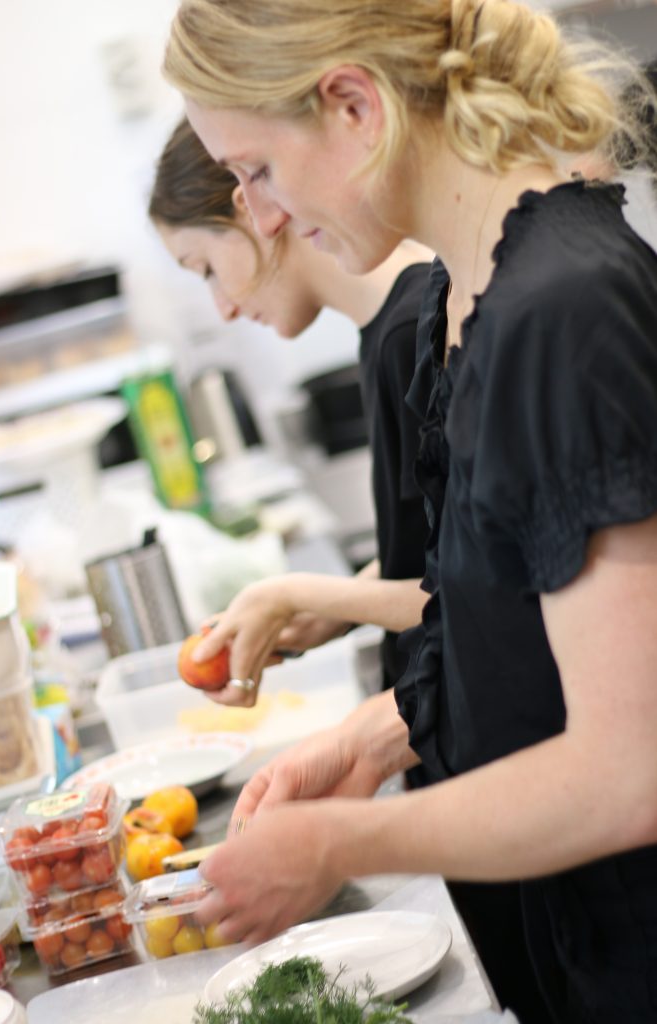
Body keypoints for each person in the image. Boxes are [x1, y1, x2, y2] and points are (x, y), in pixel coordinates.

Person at [164, 2, 657, 1022]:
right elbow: (516, 637)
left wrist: (342, 842)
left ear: (351, 105)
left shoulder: (560, 312)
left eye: (254, 170)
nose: (255, 216)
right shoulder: (463, 304)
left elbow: (629, 768)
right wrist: (383, 734)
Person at [149, 117, 433, 701]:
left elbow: (478, 591)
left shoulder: (416, 330)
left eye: (206, 269)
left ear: (250, 209)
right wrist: (337, 608)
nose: (223, 308)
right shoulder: (388, 331)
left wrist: (297, 595)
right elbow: (437, 545)